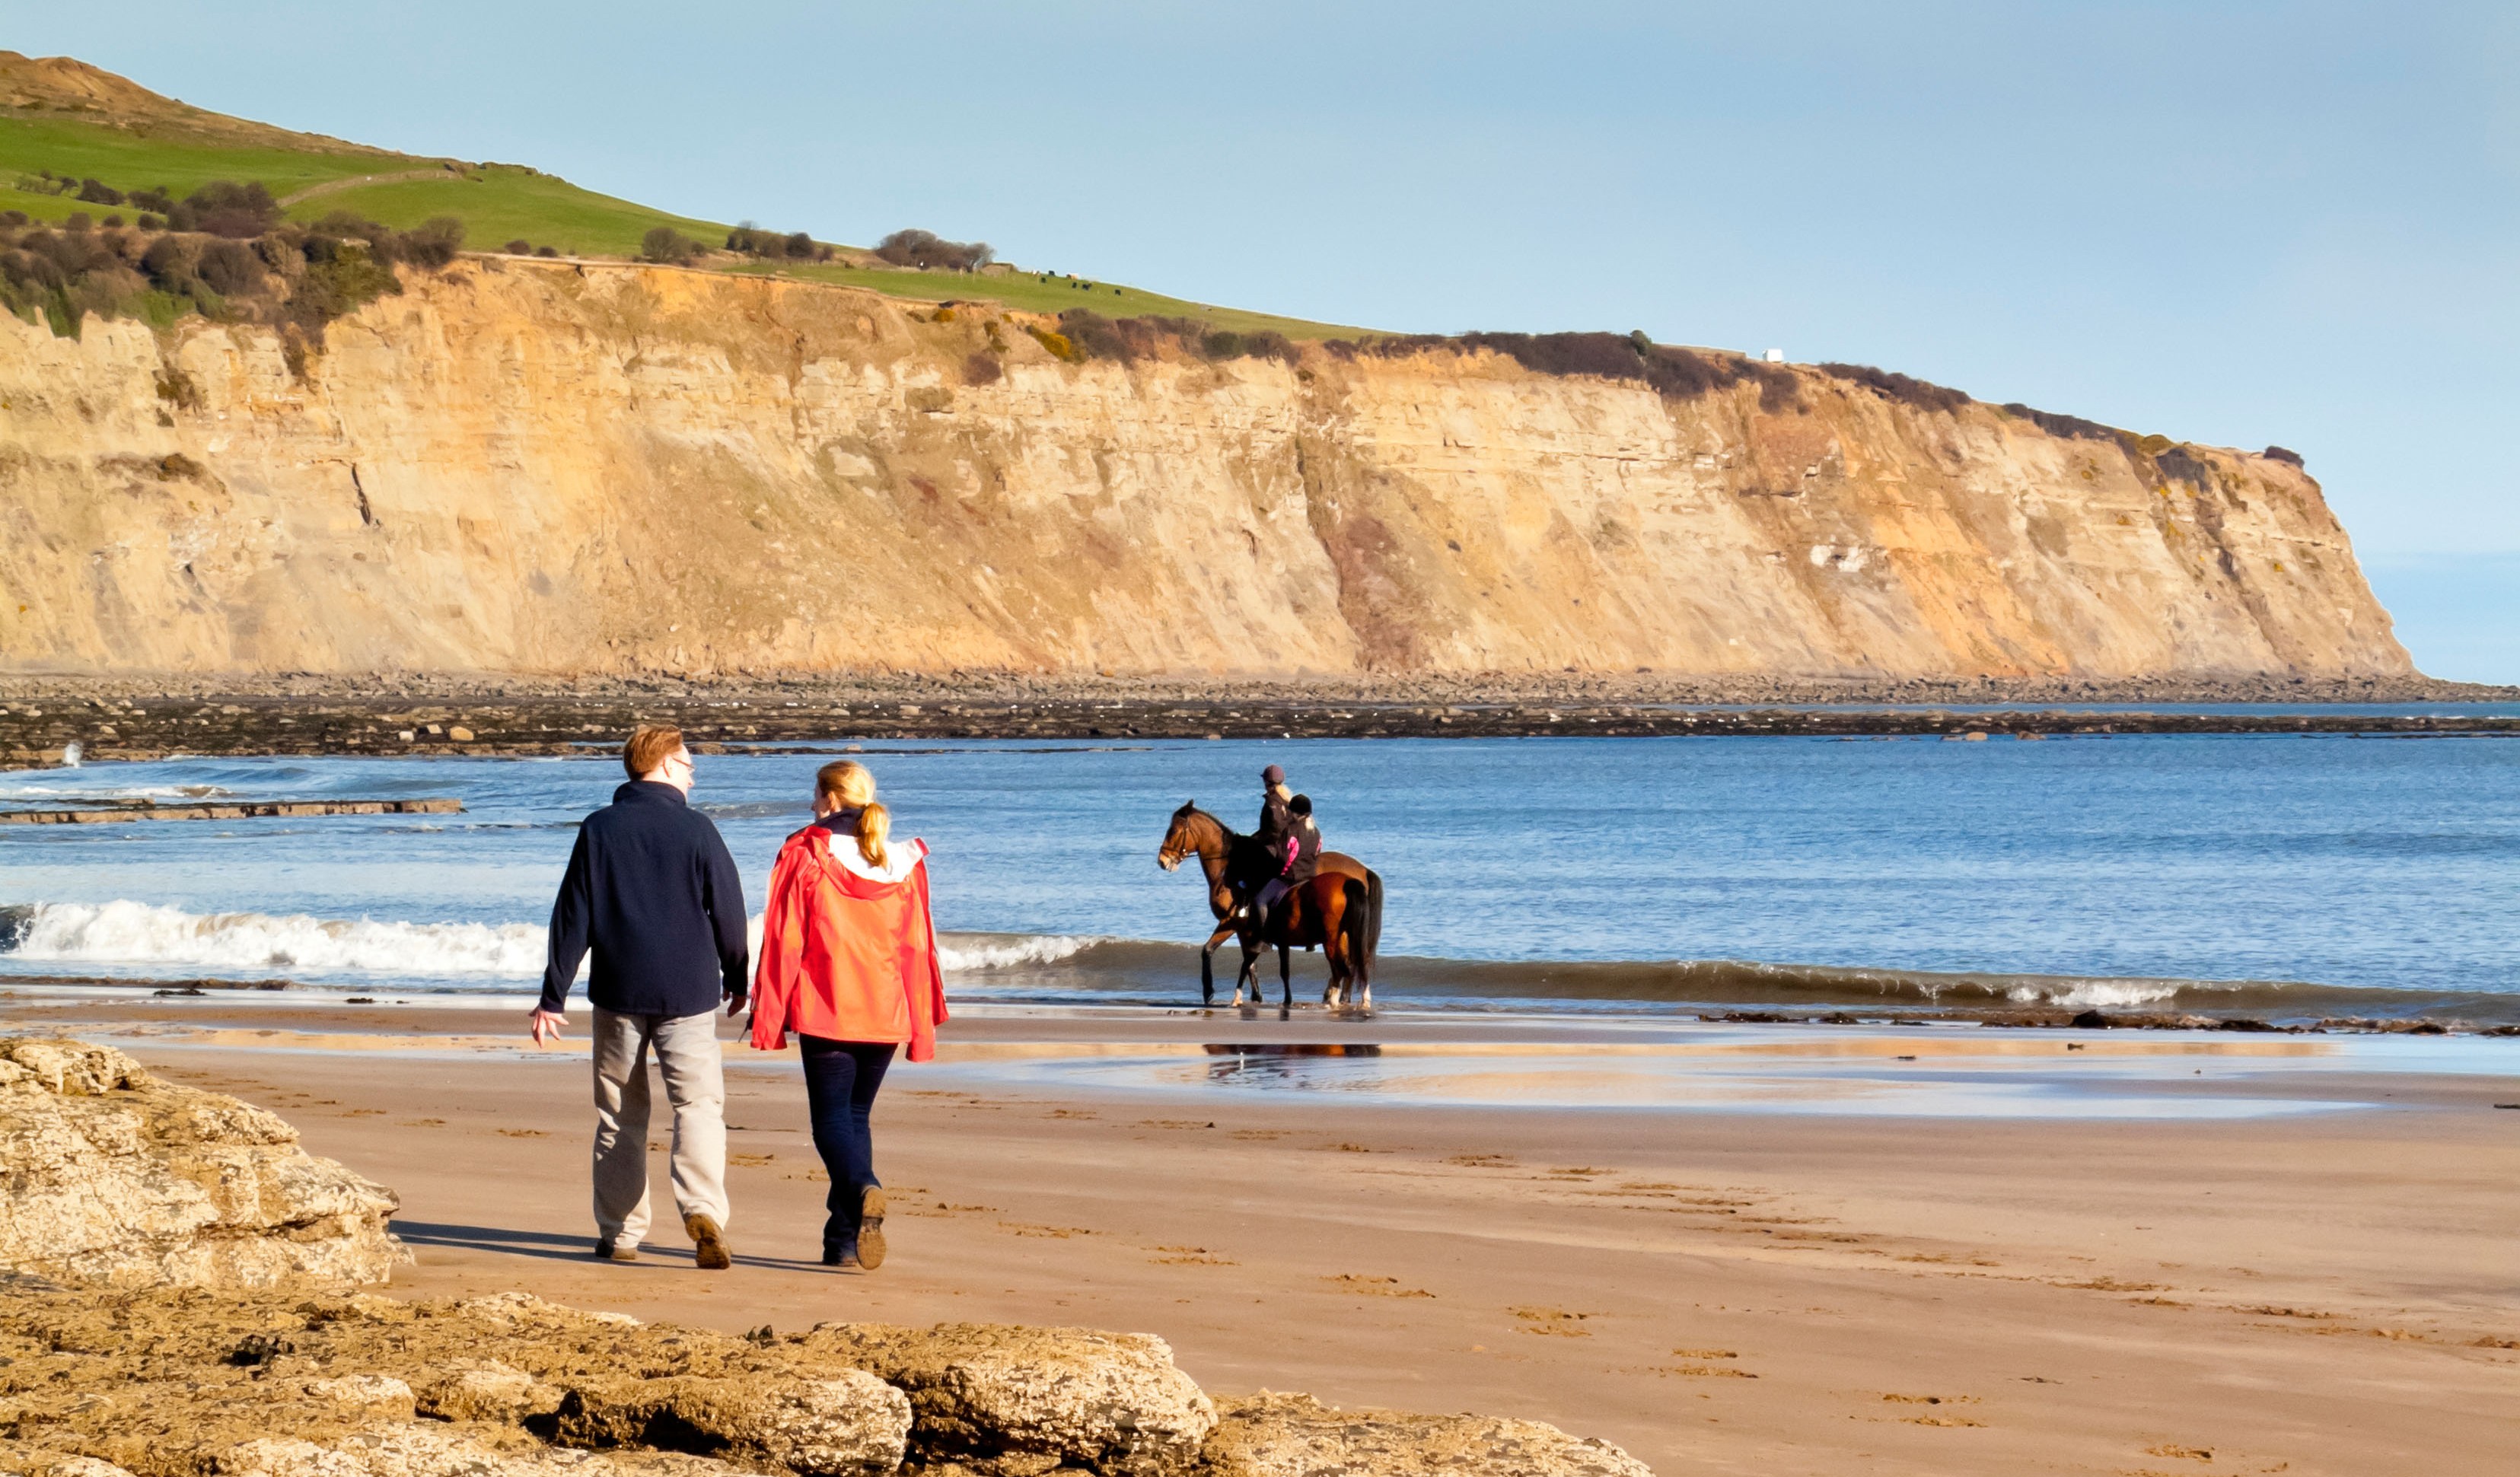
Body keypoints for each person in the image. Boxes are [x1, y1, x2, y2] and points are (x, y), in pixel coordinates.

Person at [533, 724, 749, 1269]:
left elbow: (572, 915)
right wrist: (738, 975)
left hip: (618, 989)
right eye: (690, 764)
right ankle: (703, 1211)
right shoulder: (697, 829)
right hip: (689, 991)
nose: (695, 775)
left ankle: (621, 1233)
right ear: (667, 764)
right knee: (698, 1106)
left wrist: (552, 996)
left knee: (619, 1115)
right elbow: (727, 910)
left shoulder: (599, 829)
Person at [750, 760, 948, 1269]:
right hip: (885, 1008)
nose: (811, 802)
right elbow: (916, 945)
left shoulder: (806, 852)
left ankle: (864, 1187)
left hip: (827, 1005)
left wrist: (768, 1008)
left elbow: (784, 936)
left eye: (815, 792)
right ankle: (841, 1240)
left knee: (832, 1120)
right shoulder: (899, 861)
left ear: (831, 797)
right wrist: (921, 1021)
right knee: (856, 1116)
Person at [1246, 765, 1310, 935]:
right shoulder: (1287, 799)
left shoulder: (1272, 802)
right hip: (1287, 846)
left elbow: (1274, 829)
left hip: (1274, 849)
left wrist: (1253, 841)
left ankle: (1260, 929)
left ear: (1266, 782)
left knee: (1248, 874)